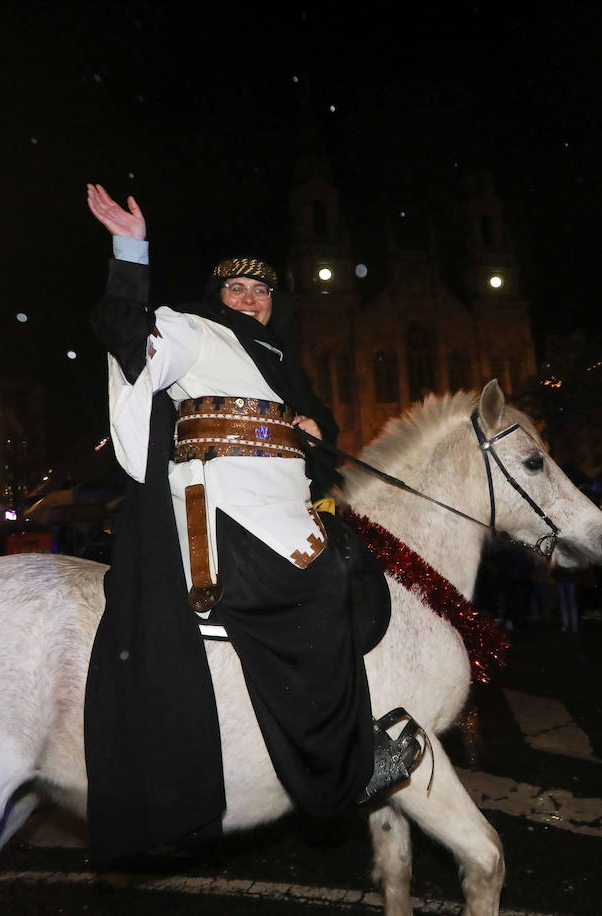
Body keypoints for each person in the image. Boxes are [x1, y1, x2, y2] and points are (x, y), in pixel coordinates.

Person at [82, 184, 419, 859]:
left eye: (260, 292)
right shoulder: (193, 330)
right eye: (235, 289)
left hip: (284, 517)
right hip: (223, 517)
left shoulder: (282, 369)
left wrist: (313, 428)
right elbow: (128, 332)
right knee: (318, 596)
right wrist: (130, 250)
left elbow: (315, 464)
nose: (249, 298)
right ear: (216, 298)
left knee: (352, 572)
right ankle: (341, 773)